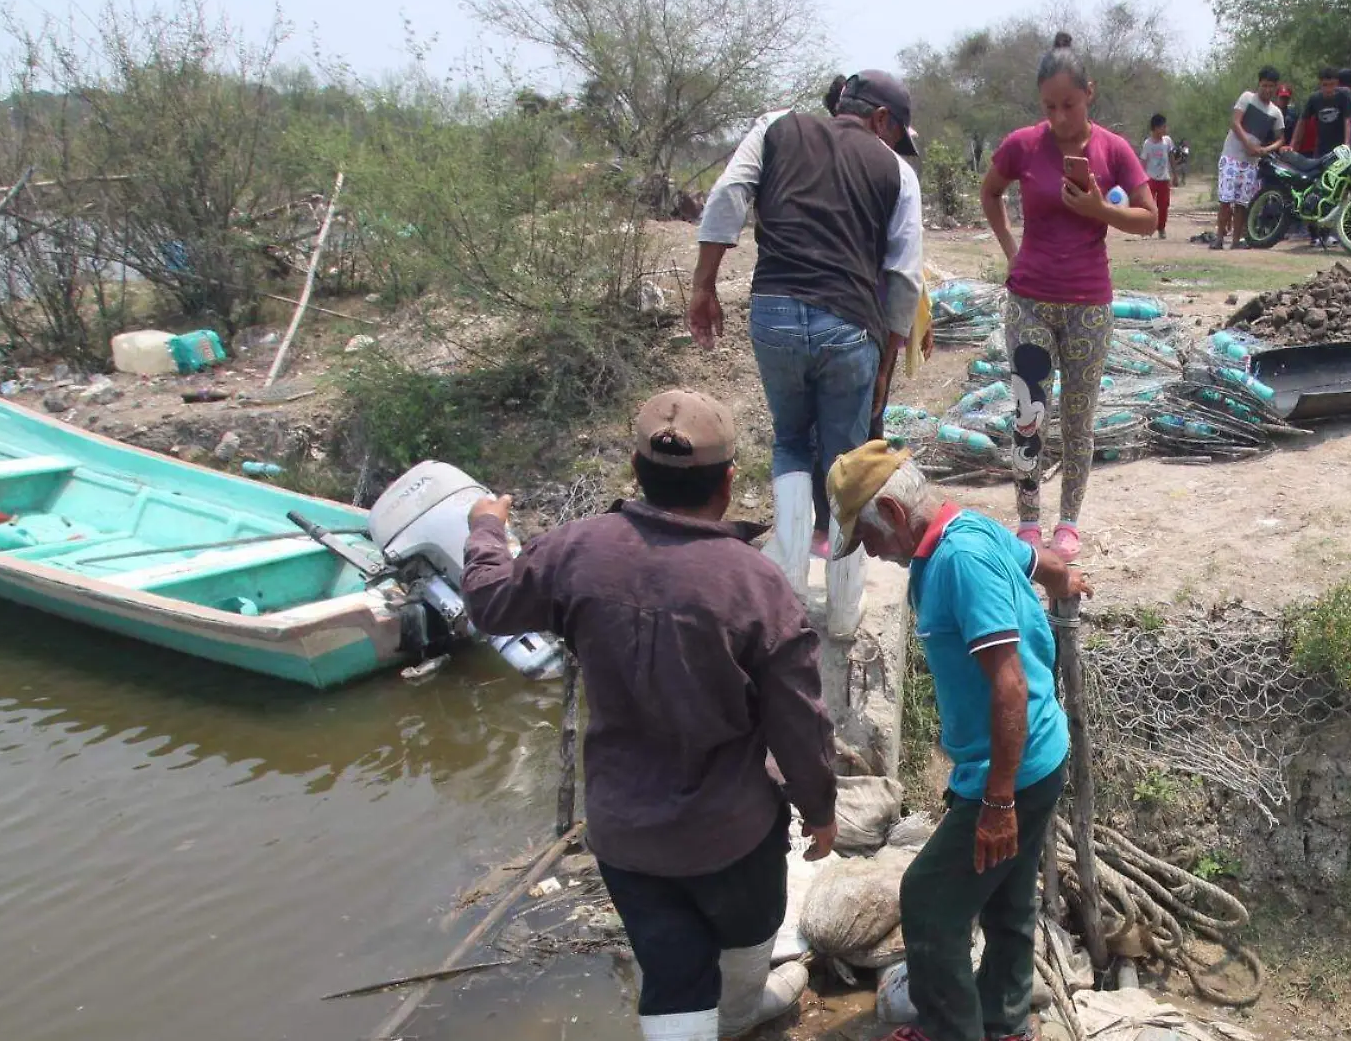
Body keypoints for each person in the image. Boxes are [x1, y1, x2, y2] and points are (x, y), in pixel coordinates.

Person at [461, 390, 838, 1041]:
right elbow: (798, 722)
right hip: (734, 834)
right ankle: (744, 1009)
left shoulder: (575, 550)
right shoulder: (756, 584)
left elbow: (491, 603)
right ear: (727, 484)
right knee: (751, 931)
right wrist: (821, 809)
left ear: (636, 474)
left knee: (670, 972)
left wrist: (486, 529)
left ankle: (704, 1016)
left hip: (625, 833)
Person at [823, 442, 1088, 1041]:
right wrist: (1066, 575)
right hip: (1037, 756)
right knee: (1009, 897)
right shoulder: (968, 528)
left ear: (891, 513)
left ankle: (953, 1031)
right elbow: (1032, 561)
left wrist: (996, 803)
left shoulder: (958, 562)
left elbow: (1010, 687)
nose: (871, 554)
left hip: (1010, 770)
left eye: (867, 538)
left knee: (928, 901)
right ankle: (1004, 1022)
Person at [690, 70, 926, 633]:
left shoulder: (776, 128)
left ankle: (791, 589)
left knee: (791, 440)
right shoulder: (895, 171)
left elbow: (728, 194)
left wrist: (703, 286)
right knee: (849, 461)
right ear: (881, 121)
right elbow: (903, 279)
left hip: (773, 310)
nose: (895, 145)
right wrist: (886, 368)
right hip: (848, 323)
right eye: (897, 134)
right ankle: (844, 612)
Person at [978, 33, 1155, 561]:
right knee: (1029, 412)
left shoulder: (1114, 150)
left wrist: (1101, 210)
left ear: (1089, 94)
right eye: (1049, 107)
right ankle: (1029, 521)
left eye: (1069, 105)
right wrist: (1011, 249)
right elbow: (990, 191)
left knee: (1079, 416)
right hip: (1029, 299)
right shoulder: (1022, 145)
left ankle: (1068, 523)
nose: (1059, 117)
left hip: (1089, 305)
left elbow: (1149, 219)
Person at [1212, 66, 1287, 251]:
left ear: (1276, 87)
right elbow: (1235, 122)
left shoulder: (1276, 112)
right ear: (1259, 84)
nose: (1267, 90)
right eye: (1264, 85)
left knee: (1242, 203)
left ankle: (1236, 241)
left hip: (1251, 162)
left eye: (1271, 86)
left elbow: (1281, 139)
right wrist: (1247, 144)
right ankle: (1219, 238)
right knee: (1225, 200)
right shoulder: (1247, 98)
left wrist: (1264, 150)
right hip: (1231, 156)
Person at [1294, 66, 1351, 158]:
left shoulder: (1344, 96)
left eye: (1332, 84)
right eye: (1325, 85)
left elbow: (1347, 121)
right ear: (1320, 84)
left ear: (1337, 83)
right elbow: (1302, 121)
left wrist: (1347, 145)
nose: (1328, 89)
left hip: (1339, 149)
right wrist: (1293, 145)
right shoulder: (1314, 99)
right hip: (1321, 149)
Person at [1140, 114, 1175, 239]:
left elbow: (1171, 157)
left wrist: (1174, 174)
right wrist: (1140, 178)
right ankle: (1146, 228)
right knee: (1148, 205)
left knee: (1164, 205)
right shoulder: (1147, 144)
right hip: (1151, 179)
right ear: (1155, 128)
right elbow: (1143, 161)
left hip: (1164, 179)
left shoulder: (1167, 141)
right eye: (1163, 127)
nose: (1165, 130)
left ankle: (1161, 228)